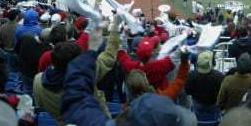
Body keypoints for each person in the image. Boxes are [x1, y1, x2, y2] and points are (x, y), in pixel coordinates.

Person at [60, 26, 197, 126]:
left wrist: (124, 34)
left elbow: (121, 51)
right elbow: (179, 59)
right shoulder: (160, 68)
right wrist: (184, 38)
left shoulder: (131, 66)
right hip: (160, 106)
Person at [185, 50, 224, 117]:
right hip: (213, 104)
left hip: (197, 103)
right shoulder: (219, 76)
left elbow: (187, 91)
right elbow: (222, 93)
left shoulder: (192, 75)